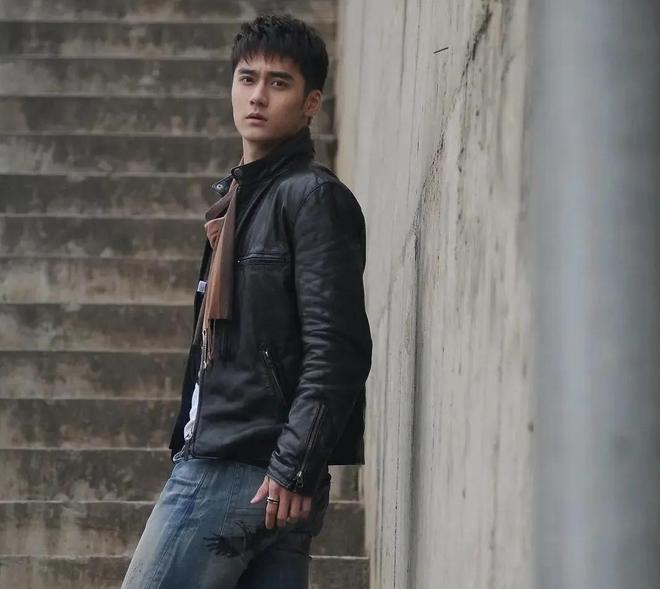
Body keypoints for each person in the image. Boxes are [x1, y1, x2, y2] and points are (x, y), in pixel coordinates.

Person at [121, 14, 372, 589]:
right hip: (255, 467)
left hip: (245, 467)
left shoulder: (311, 198)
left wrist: (295, 465)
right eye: (247, 78)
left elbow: (337, 347)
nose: (258, 95)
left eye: (278, 83)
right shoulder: (240, 201)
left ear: (311, 104)